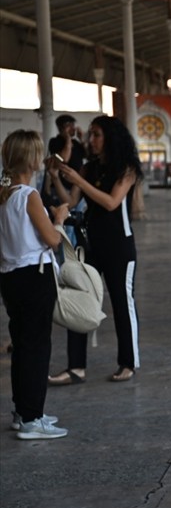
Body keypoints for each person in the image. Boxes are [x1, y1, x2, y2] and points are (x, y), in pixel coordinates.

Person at [47, 115, 144, 383]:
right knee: (79, 298)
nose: (91, 140)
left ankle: (129, 361)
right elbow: (72, 200)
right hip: (91, 244)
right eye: (90, 134)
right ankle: (76, 367)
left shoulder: (126, 168)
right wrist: (57, 178)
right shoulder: (90, 168)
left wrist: (79, 179)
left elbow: (112, 202)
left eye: (97, 135)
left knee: (122, 303)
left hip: (119, 246)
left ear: (110, 137)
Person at [1, 130, 69, 439]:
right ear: (30, 159)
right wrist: (59, 217)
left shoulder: (4, 195)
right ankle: (31, 419)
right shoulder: (29, 196)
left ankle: (22, 411)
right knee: (37, 348)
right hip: (34, 276)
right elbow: (53, 239)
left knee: (23, 346)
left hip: (11, 278)